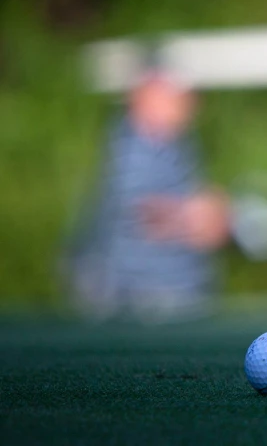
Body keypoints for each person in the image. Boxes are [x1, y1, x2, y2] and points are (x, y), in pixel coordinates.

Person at [64, 71, 230, 322]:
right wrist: (198, 214)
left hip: (175, 293)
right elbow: (143, 213)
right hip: (139, 297)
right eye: (175, 96)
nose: (189, 102)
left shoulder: (178, 145)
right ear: (144, 97)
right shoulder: (130, 148)